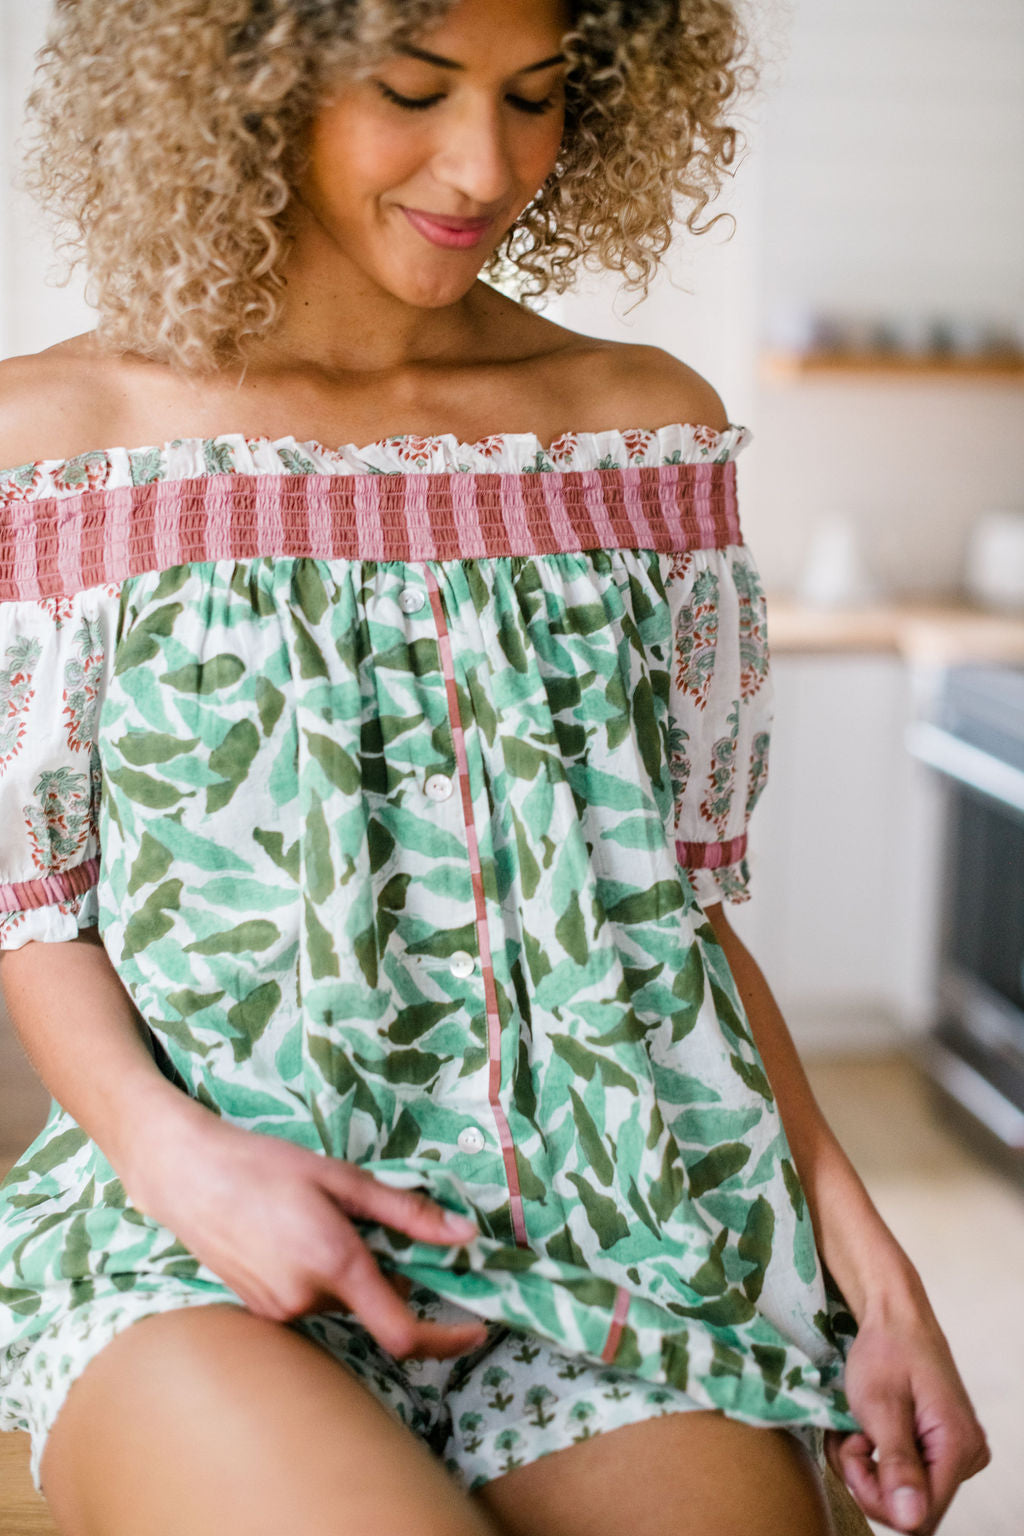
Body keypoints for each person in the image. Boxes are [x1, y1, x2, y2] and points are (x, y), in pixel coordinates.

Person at [0, 2, 989, 1534]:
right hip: (192, 1243)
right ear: (250, 86)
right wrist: (183, 1164)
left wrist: (871, 1270)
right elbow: (31, 901)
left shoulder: (639, 434)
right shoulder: (58, 446)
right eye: (415, 92)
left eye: (538, 97)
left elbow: (678, 927)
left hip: (622, 1249)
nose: (487, 163)